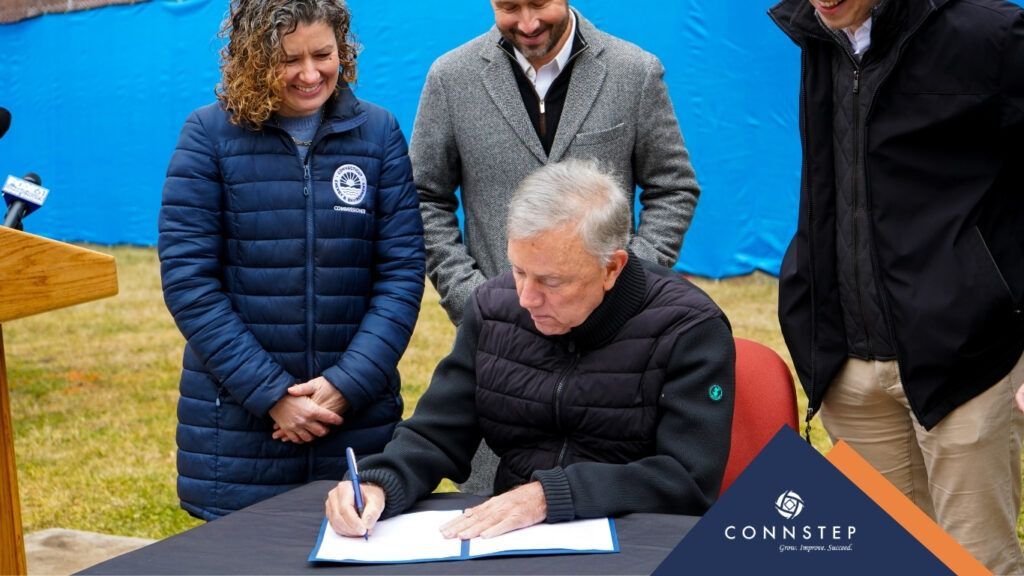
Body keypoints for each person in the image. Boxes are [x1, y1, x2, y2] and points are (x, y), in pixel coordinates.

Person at [325, 159, 734, 540]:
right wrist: (380, 482)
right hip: (514, 539)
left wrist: (549, 495)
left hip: (637, 542)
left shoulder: (689, 328)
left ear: (612, 267)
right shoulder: (493, 309)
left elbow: (688, 479)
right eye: (519, 271)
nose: (526, 298)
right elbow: (436, 434)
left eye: (551, 282)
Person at [769, 0, 1024, 571]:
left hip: (965, 364)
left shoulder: (991, 34)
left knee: (974, 564)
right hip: (848, 367)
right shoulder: (818, 32)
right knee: (887, 560)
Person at [414, 0, 701, 493]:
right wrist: (474, 301)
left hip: (617, 364)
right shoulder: (450, 77)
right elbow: (423, 196)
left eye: (539, 4)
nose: (527, 23)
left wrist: (626, 290)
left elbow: (673, 186)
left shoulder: (634, 71)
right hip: (502, 358)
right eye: (509, 7)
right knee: (500, 525)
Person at [158, 0, 425, 520]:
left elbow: (400, 274)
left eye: (323, 54)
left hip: (357, 417)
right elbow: (190, 282)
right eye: (288, 60)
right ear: (253, 60)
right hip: (240, 429)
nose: (310, 74)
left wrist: (346, 386)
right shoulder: (208, 136)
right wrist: (272, 394)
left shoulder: (379, 133)